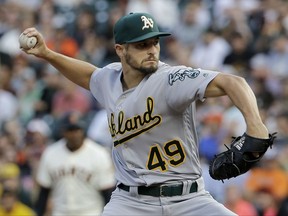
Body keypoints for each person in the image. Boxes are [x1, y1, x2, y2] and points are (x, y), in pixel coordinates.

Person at [21, 12, 269, 216]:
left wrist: (255, 125)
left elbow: (233, 82)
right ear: (120, 50)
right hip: (130, 203)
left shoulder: (171, 79)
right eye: (142, 45)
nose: (151, 50)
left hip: (189, 200)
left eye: (154, 42)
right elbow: (88, 76)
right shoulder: (108, 79)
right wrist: (48, 54)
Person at [34, 111, 115, 216]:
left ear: (83, 130)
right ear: (63, 131)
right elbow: (44, 192)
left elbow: (107, 192)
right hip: (60, 212)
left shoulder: (99, 154)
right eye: (70, 130)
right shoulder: (50, 153)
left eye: (77, 130)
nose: (74, 134)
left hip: (91, 212)